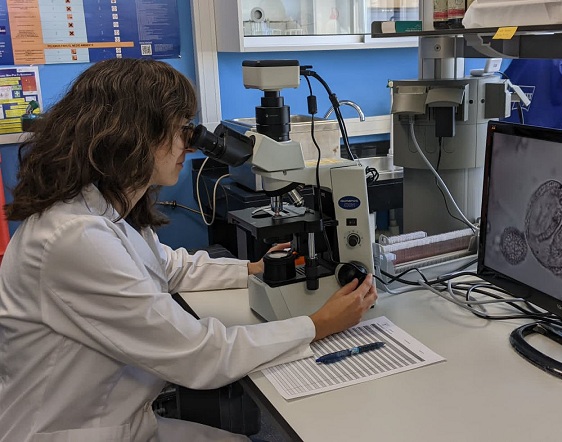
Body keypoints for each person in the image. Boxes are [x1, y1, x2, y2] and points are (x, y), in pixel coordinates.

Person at [0, 58, 377, 442]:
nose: (191, 143)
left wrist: (252, 268)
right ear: (132, 133)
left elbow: (167, 265)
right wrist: (318, 324)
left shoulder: (100, 209)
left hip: (116, 420)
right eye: (181, 129)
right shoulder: (74, 238)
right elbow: (201, 355)